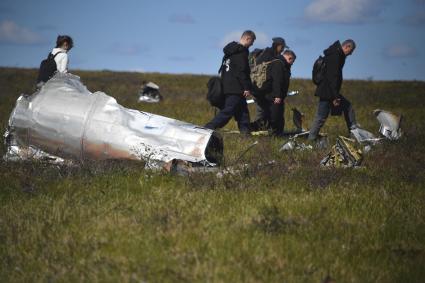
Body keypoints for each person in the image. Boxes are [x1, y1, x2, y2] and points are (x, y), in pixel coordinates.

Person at [204, 30, 256, 134]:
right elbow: (242, 71)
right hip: (236, 88)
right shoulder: (242, 52)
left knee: (243, 113)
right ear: (247, 38)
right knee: (228, 111)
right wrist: (246, 87)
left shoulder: (230, 51)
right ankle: (208, 127)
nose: (252, 45)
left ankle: (245, 134)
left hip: (227, 85)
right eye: (252, 42)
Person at [308, 39, 357, 141]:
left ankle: (354, 134)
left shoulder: (336, 54)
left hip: (330, 91)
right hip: (328, 92)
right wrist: (335, 97)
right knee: (321, 117)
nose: (351, 53)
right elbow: (332, 77)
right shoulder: (336, 56)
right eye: (351, 51)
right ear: (347, 47)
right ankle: (310, 140)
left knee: (348, 107)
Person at [251, 49, 296, 136]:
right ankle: (273, 134)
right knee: (275, 117)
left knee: (273, 116)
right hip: (273, 96)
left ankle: (275, 133)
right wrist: (278, 96)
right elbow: (277, 81)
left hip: (272, 95)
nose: (292, 64)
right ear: (290, 58)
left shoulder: (281, 64)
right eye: (292, 61)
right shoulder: (278, 64)